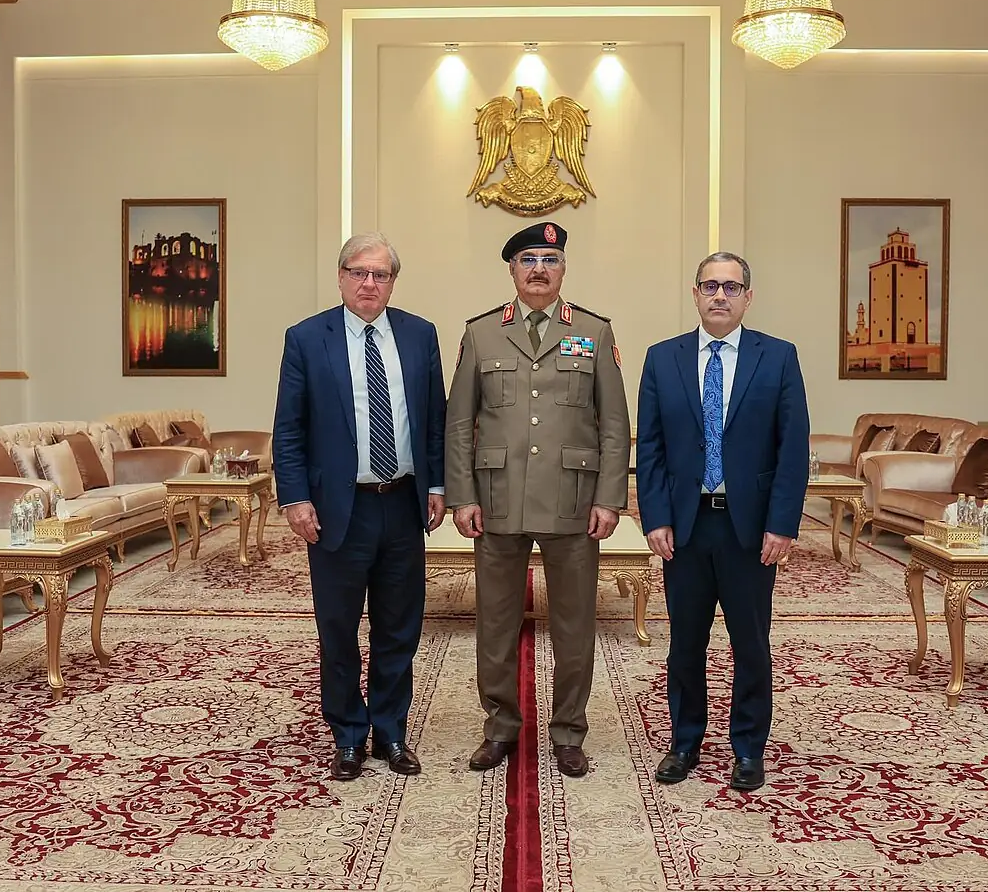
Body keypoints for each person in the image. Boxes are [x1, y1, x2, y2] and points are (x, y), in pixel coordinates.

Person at [445, 221, 631, 778]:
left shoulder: (594, 332)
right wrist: (462, 495)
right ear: (512, 269)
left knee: (574, 627)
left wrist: (609, 498)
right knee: (495, 623)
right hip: (497, 500)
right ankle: (500, 727)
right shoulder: (481, 334)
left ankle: (569, 732)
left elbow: (615, 425)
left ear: (564, 268)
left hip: (574, 502)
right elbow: (459, 424)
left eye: (549, 259)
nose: (539, 269)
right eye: (528, 259)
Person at [272, 232, 447, 781]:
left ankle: (391, 731)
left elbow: (434, 422)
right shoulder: (306, 338)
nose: (369, 283)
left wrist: (438, 486)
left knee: (400, 627)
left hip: (401, 507)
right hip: (335, 511)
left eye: (381, 274)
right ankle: (347, 734)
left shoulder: (421, 336)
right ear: (341, 276)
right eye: (359, 272)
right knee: (339, 628)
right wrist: (295, 497)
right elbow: (289, 428)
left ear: (394, 281)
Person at [635, 251, 810, 791]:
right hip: (686, 526)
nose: (719, 295)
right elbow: (653, 449)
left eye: (731, 287)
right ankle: (685, 740)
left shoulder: (778, 358)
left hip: (750, 529)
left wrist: (781, 524)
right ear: (694, 294)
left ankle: (749, 747)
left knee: (750, 641)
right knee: (685, 641)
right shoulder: (662, 358)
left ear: (748, 298)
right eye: (710, 285)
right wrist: (655, 516)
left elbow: (792, 447)